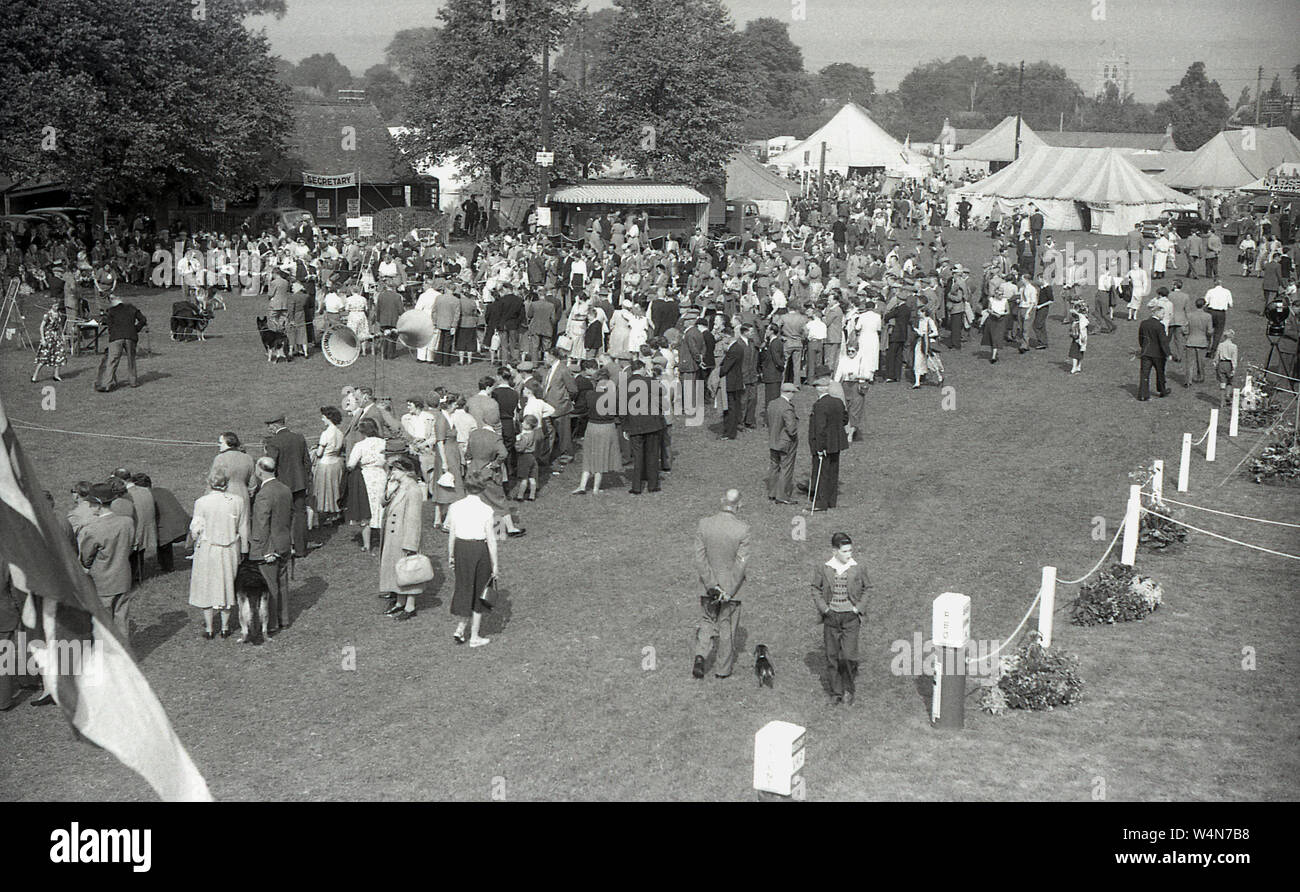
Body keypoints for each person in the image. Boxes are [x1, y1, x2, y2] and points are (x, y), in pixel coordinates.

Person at [692, 489, 750, 680]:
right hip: (730, 590)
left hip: (708, 587)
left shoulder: (704, 524)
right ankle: (722, 670)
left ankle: (700, 655)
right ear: (739, 505)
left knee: (707, 621)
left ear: (721, 500)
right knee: (727, 627)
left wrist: (711, 585)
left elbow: (699, 559)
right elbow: (741, 564)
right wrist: (729, 590)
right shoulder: (743, 529)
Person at [811, 532, 871, 706]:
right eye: (845, 551)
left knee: (848, 656)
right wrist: (825, 609)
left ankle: (849, 689)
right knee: (832, 656)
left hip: (850, 618)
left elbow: (868, 588)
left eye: (850, 550)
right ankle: (836, 692)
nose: (849, 554)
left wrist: (857, 608)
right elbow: (815, 588)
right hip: (831, 617)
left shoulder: (858, 567)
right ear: (835, 551)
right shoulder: (824, 568)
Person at [188, 469, 246, 640]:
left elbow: (196, 528)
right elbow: (242, 526)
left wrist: (193, 538)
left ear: (210, 483)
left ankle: (209, 628)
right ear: (226, 484)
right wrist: (243, 550)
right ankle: (225, 627)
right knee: (227, 583)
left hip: (208, 549)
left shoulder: (202, 502)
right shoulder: (237, 501)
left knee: (207, 585)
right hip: (229, 549)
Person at [446, 472, 500, 647]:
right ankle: (474, 637)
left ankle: (461, 628)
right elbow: (491, 539)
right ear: (482, 488)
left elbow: (452, 534)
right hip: (479, 549)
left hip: (461, 548)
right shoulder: (486, 510)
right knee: (479, 591)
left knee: (464, 587)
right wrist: (495, 564)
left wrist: (451, 555)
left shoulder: (455, 507)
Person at [77, 483, 135, 641]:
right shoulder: (127, 522)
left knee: (103, 624)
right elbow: (130, 546)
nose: (89, 507)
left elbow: (85, 558)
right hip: (123, 577)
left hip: (102, 582)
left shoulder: (93, 529)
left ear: (98, 505)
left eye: (91, 504)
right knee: (121, 619)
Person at [248, 456, 293, 634]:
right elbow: (290, 517)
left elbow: (261, 524)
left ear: (259, 470)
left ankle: (271, 623)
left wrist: (266, 550)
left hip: (269, 547)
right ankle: (284, 619)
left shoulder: (264, 494)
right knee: (282, 583)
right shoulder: (285, 489)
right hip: (283, 543)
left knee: (269, 586)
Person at [379, 456, 426, 621]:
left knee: (408, 572)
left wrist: (410, 544)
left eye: (396, 469)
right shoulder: (399, 487)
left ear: (406, 471)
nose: (392, 472)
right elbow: (383, 503)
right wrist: (389, 490)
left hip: (404, 537)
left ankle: (410, 606)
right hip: (393, 536)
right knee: (396, 570)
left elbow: (414, 520)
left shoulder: (413, 490)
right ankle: (400, 601)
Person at [262, 412, 311, 558]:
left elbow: (270, 465)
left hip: (281, 486)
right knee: (300, 514)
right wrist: (304, 479)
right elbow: (307, 462)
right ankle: (301, 549)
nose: (269, 429)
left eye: (270, 426)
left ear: (276, 425)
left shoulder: (273, 442)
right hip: (300, 483)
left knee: (281, 517)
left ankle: (283, 548)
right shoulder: (299, 438)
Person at [572, 369, 621, 495]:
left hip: (592, 426)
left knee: (588, 455)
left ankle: (582, 486)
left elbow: (583, 409)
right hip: (607, 427)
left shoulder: (589, 395)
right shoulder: (613, 397)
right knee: (601, 456)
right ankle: (595, 488)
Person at [622, 361, 666, 494]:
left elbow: (621, 408)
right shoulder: (649, 381)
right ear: (642, 369)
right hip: (652, 423)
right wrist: (651, 377)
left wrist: (625, 427)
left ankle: (636, 486)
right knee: (652, 454)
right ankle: (653, 485)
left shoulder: (624, 384)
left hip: (634, 424)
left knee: (637, 456)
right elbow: (662, 391)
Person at [807, 376, 849, 512]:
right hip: (836, 442)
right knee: (833, 471)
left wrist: (820, 447)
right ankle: (832, 501)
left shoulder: (819, 405)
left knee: (821, 473)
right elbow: (845, 419)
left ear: (819, 388)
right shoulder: (838, 402)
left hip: (824, 444)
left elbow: (820, 429)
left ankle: (821, 502)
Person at [346, 418, 388, 552]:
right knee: (380, 505)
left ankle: (367, 544)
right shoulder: (384, 443)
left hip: (367, 476)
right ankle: (384, 541)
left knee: (366, 507)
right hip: (381, 475)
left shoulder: (360, 445)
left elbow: (351, 464)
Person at [93, 293, 147, 392]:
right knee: (131, 359)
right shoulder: (132, 308)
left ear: (112, 302)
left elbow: (109, 325)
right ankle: (133, 381)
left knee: (112, 361)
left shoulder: (111, 311)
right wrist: (136, 329)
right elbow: (143, 320)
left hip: (116, 337)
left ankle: (107, 384)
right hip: (130, 336)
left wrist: (112, 333)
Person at [118, 468, 156, 585]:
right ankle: (137, 576)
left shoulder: (126, 496)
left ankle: (130, 579)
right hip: (145, 529)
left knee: (131, 558)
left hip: (134, 530)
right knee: (138, 558)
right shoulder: (145, 490)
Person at [312, 406, 346, 527]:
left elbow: (319, 453)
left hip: (325, 464)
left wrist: (315, 450)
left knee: (324, 489)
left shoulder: (326, 433)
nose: (322, 420)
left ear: (328, 418)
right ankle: (335, 512)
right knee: (335, 488)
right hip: (337, 463)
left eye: (323, 417)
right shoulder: (340, 433)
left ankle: (327, 513)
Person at [766, 382, 799, 504]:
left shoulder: (772, 404)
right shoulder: (787, 407)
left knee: (774, 467)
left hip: (773, 440)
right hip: (786, 442)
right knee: (786, 468)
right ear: (789, 393)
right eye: (793, 393)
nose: (793, 395)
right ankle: (782, 496)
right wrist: (794, 435)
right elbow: (791, 428)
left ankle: (772, 492)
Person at [1137, 308, 1171, 401]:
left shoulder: (1144, 323)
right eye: (1162, 313)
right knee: (1160, 373)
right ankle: (1162, 390)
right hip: (1158, 354)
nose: (1163, 315)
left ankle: (1143, 394)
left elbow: (1140, 337)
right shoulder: (1160, 326)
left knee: (1144, 374)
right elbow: (1163, 342)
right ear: (1157, 313)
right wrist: (1168, 353)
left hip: (1146, 352)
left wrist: (1143, 347)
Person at [31, 302, 67, 383]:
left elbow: (60, 326)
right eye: (55, 306)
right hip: (49, 338)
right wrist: (43, 339)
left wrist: (62, 336)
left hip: (57, 337)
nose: (56, 307)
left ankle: (56, 375)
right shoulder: (47, 315)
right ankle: (34, 376)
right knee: (44, 357)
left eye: (57, 306)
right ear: (51, 306)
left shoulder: (59, 314)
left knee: (59, 355)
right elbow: (41, 327)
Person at [512, 415, 541, 501]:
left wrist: (517, 440)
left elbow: (520, 448)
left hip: (524, 457)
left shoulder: (524, 437)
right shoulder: (533, 434)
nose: (522, 423)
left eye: (524, 422)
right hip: (532, 456)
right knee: (532, 477)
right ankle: (532, 495)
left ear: (528, 425)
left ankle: (520, 495)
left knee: (523, 477)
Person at [1203, 277, 1232, 353]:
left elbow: (1205, 302)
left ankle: (1207, 345)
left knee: (1209, 329)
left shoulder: (1210, 291)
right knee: (1218, 332)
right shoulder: (1227, 292)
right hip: (1221, 313)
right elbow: (1231, 304)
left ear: (1214, 283)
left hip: (1211, 312)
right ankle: (1213, 349)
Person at [1214, 329, 1239, 407]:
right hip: (1229, 364)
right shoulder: (1234, 346)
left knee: (1222, 382)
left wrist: (1215, 364)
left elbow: (1217, 356)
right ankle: (1228, 395)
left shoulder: (1220, 345)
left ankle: (1222, 401)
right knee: (1229, 380)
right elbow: (1234, 358)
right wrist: (1234, 368)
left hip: (1221, 363)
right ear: (1232, 337)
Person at [1068, 304, 1088, 375]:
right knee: (1080, 352)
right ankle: (1078, 366)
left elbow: (1079, 331)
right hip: (1081, 339)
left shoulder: (1082, 320)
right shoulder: (1083, 320)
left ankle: (1074, 368)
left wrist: (1077, 338)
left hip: (1078, 338)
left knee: (1074, 353)